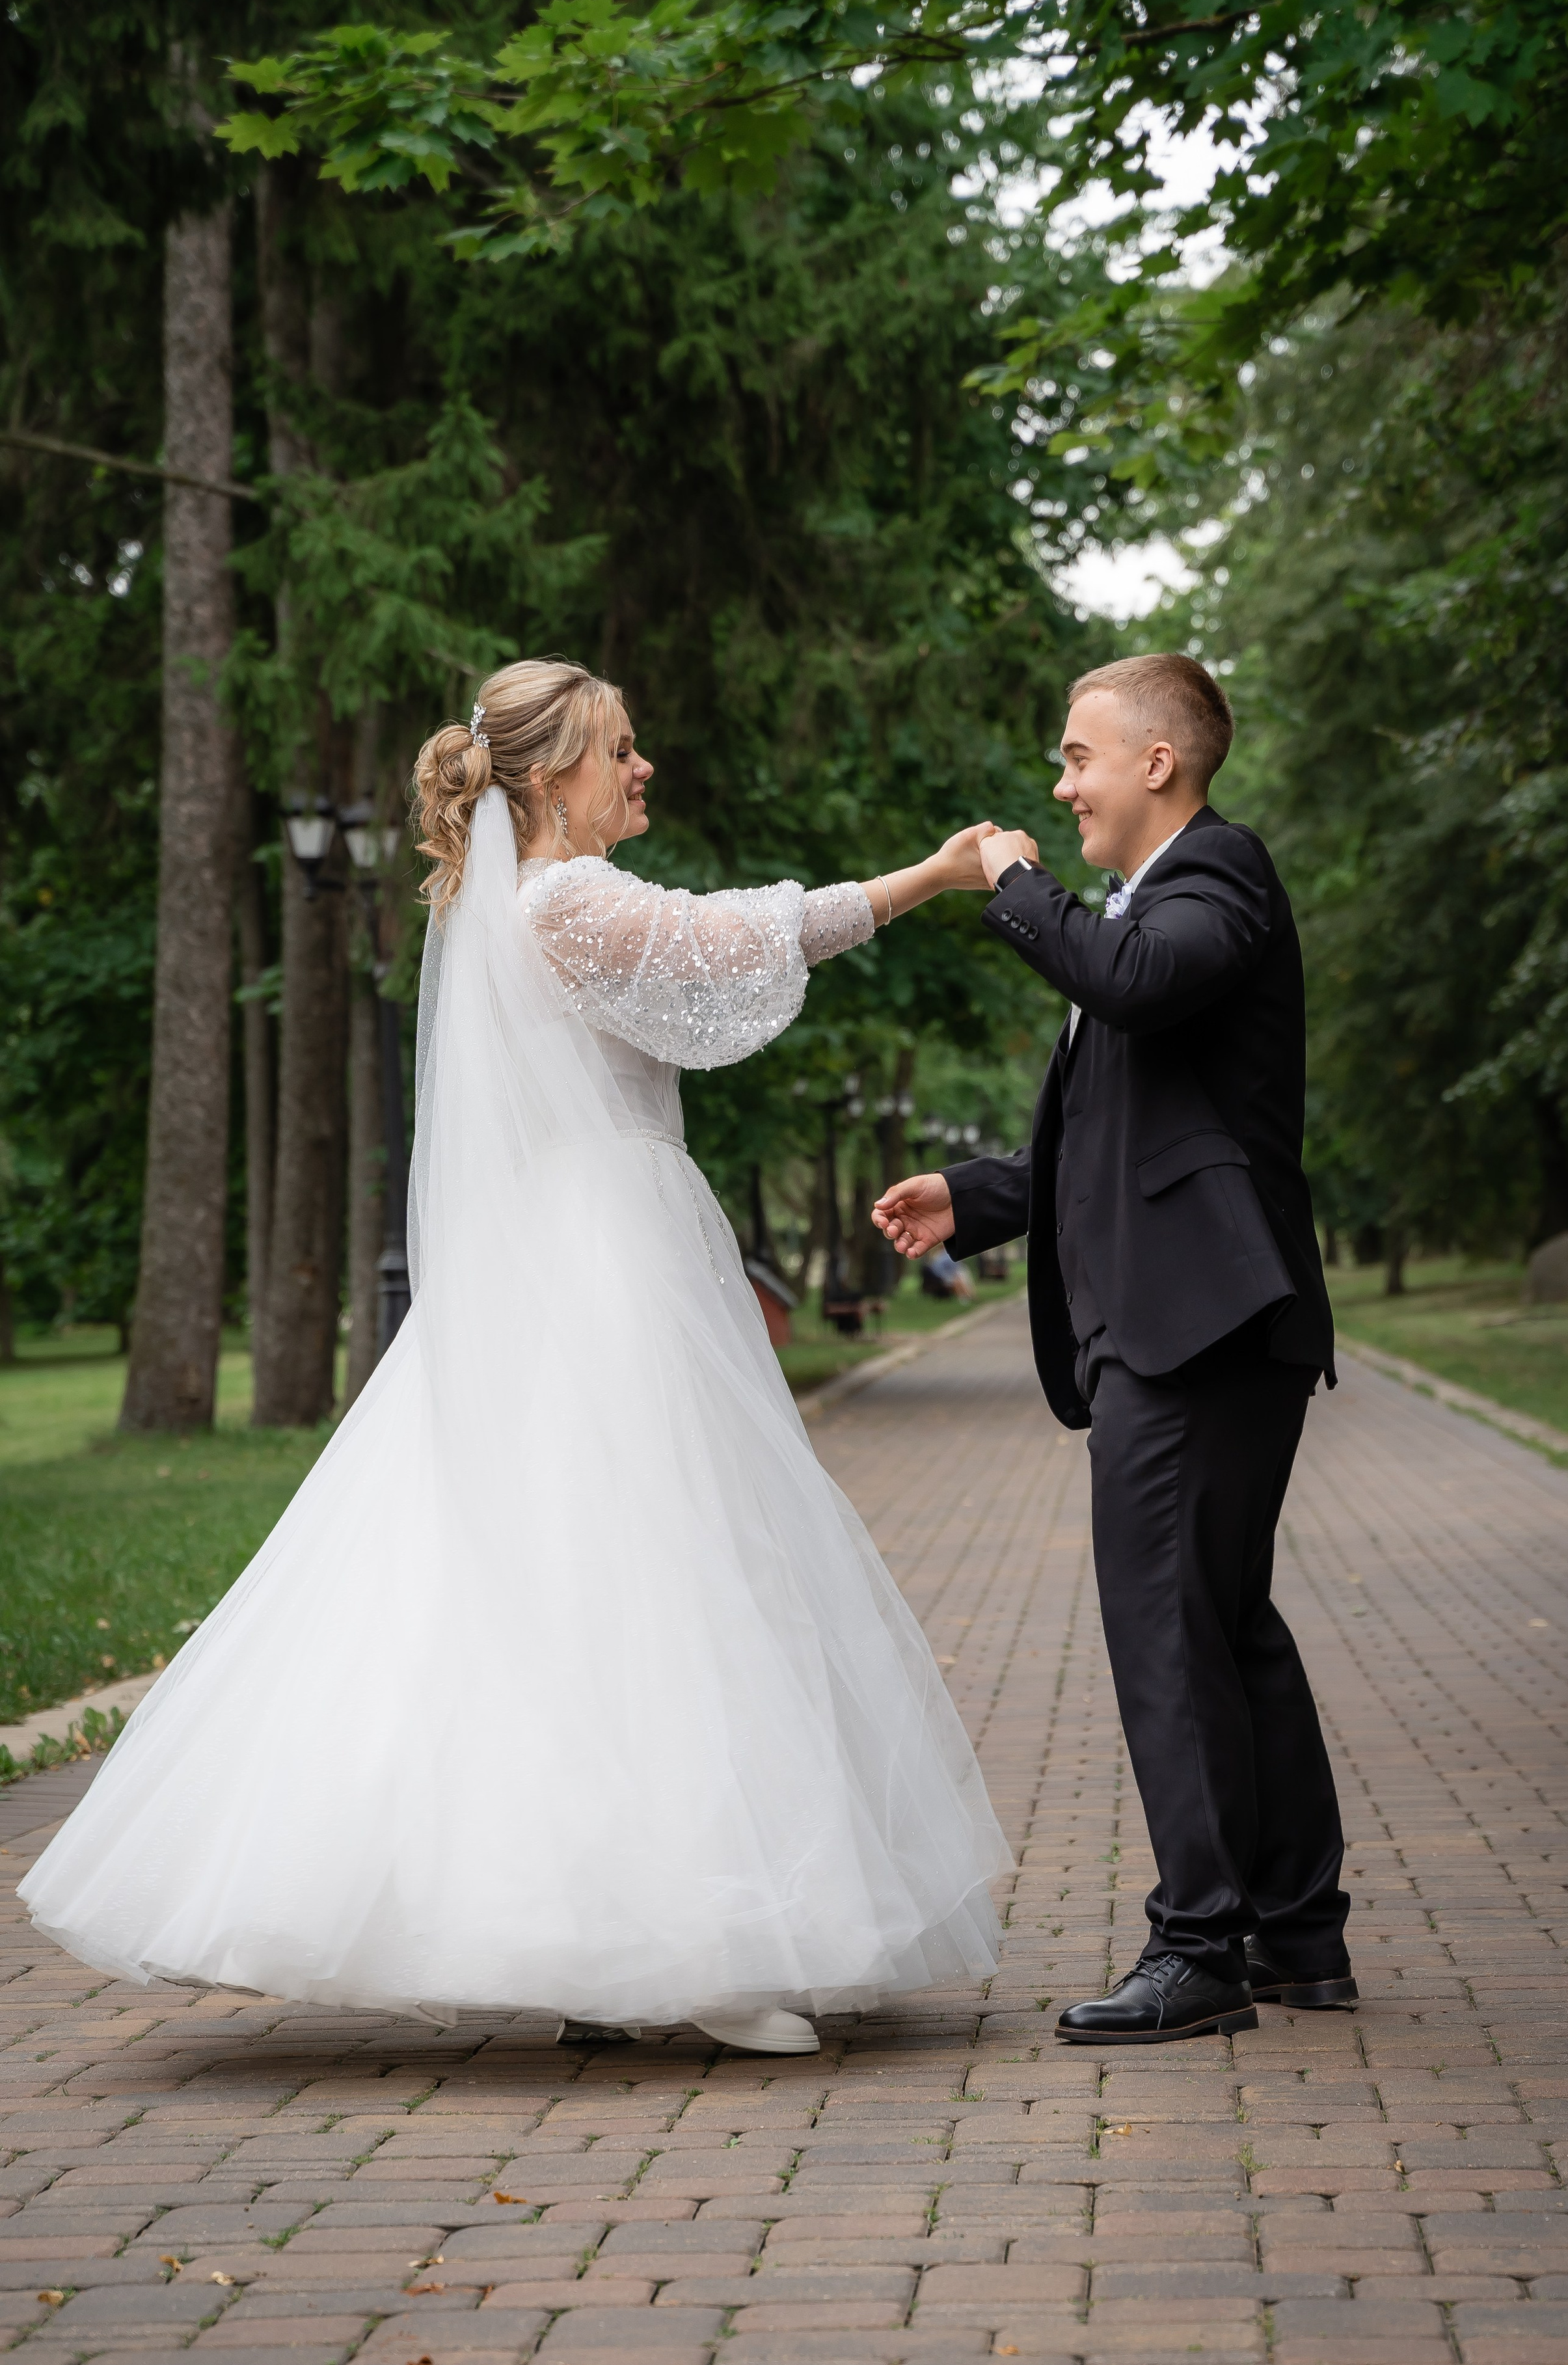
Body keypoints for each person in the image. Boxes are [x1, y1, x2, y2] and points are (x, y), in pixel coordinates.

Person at [21, 656, 1010, 2058]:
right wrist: (933, 874)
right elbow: (739, 937)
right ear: (550, 779)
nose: (642, 766)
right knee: (651, 1575)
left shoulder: (509, 903)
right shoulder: (566, 899)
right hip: (599, 1263)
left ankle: (627, 1947)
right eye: (621, 746)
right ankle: (692, 1950)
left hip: (582, 1244)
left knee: (593, 1581)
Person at [874, 654, 1355, 2046]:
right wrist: (979, 1193)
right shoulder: (1156, 911)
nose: (1056, 782)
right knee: (1218, 1620)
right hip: (1191, 1320)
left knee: (1167, 1628)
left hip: (1196, 1327)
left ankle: (1196, 1943)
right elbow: (1118, 1131)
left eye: (1076, 755)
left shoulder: (1216, 879)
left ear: (1158, 762)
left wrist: (1015, 884)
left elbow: (1126, 981)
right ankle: (1293, 1930)